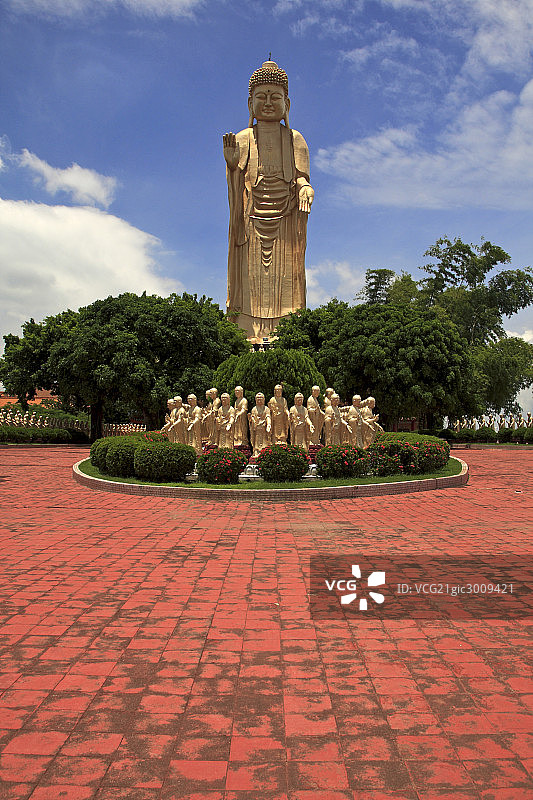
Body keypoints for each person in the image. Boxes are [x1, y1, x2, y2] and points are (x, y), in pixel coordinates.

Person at [223, 59, 314, 339]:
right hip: (250, 219)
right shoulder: (241, 138)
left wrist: (305, 188)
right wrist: (231, 166)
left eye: (275, 97)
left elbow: (301, 177)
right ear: (250, 103)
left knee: (286, 276)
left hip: (285, 220)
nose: (268, 103)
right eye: (261, 97)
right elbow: (237, 181)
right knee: (249, 279)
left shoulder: (294, 139)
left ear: (287, 102)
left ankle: (287, 330)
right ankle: (246, 331)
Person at [249, 392, 271, 457]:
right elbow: (252, 417)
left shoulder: (266, 409)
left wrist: (269, 424)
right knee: (256, 441)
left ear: (264, 399)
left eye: (261, 398)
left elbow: (268, 417)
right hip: (257, 429)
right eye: (258, 399)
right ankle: (256, 451)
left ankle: (264, 452)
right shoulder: (254, 409)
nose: (259, 400)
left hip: (263, 428)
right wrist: (253, 421)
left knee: (264, 441)